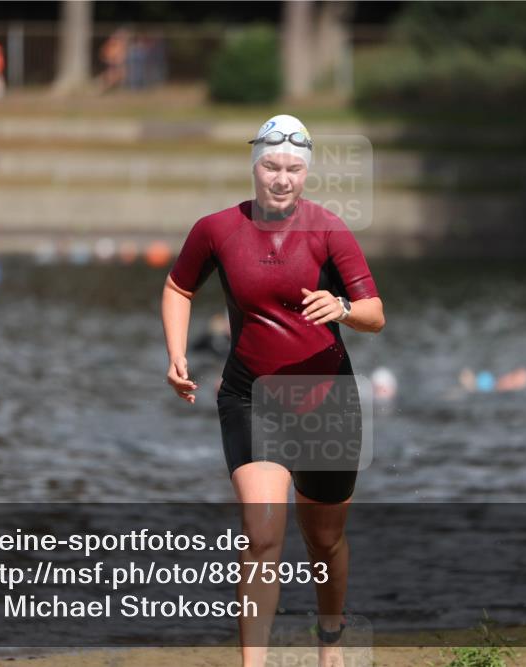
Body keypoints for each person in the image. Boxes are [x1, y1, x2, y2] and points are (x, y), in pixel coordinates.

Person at [161, 114, 385, 667]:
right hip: (250, 396)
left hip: (326, 400)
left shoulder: (329, 230)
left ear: (305, 172)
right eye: (270, 165)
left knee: (324, 542)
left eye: (292, 168)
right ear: (253, 166)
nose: (280, 178)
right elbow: (177, 286)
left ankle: (329, 642)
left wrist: (344, 308)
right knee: (261, 538)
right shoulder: (216, 229)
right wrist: (176, 353)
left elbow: (376, 314)